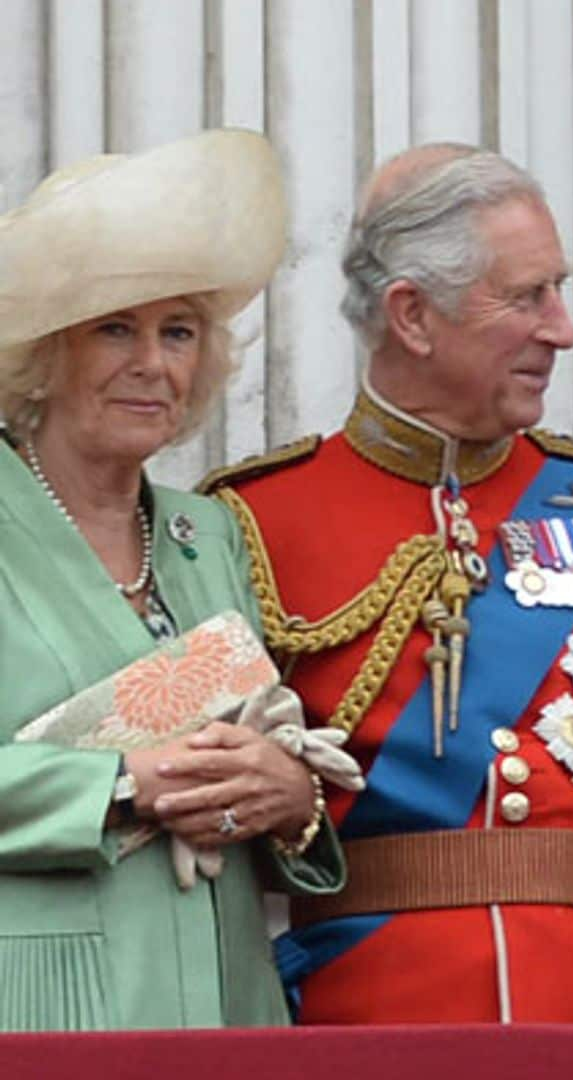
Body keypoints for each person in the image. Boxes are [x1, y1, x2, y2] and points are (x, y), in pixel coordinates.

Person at [200, 143, 573, 1024]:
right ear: (413, 316)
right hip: (362, 1018)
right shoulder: (250, 520)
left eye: (559, 289)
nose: (564, 329)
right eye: (527, 297)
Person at [0, 129, 345, 1030]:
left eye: (178, 331)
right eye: (117, 327)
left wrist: (289, 795)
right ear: (43, 351)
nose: (154, 362)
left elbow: (260, 763)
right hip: (47, 1010)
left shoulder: (208, 531)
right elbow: (145, 784)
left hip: (227, 1005)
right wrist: (123, 784)